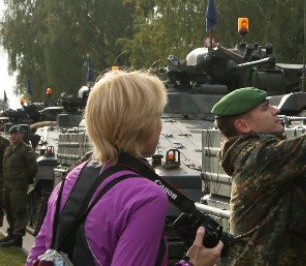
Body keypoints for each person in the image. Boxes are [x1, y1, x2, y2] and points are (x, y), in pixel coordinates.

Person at [27, 70, 222, 266]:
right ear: (140, 124)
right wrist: (193, 263)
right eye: (156, 116)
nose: (160, 125)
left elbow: (37, 257)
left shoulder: (70, 180)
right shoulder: (146, 197)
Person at [212, 86, 306, 265]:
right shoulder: (259, 158)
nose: (277, 110)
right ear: (243, 125)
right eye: (266, 108)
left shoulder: (255, 156)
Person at [0, 124, 36, 248]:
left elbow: (32, 169)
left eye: (16, 134)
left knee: (18, 211)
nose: (13, 136)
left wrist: (24, 181)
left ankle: (18, 237)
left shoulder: (26, 150)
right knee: (8, 209)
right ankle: (11, 233)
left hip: (18, 186)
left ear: (21, 135)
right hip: (7, 185)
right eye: (11, 134)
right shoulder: (8, 150)